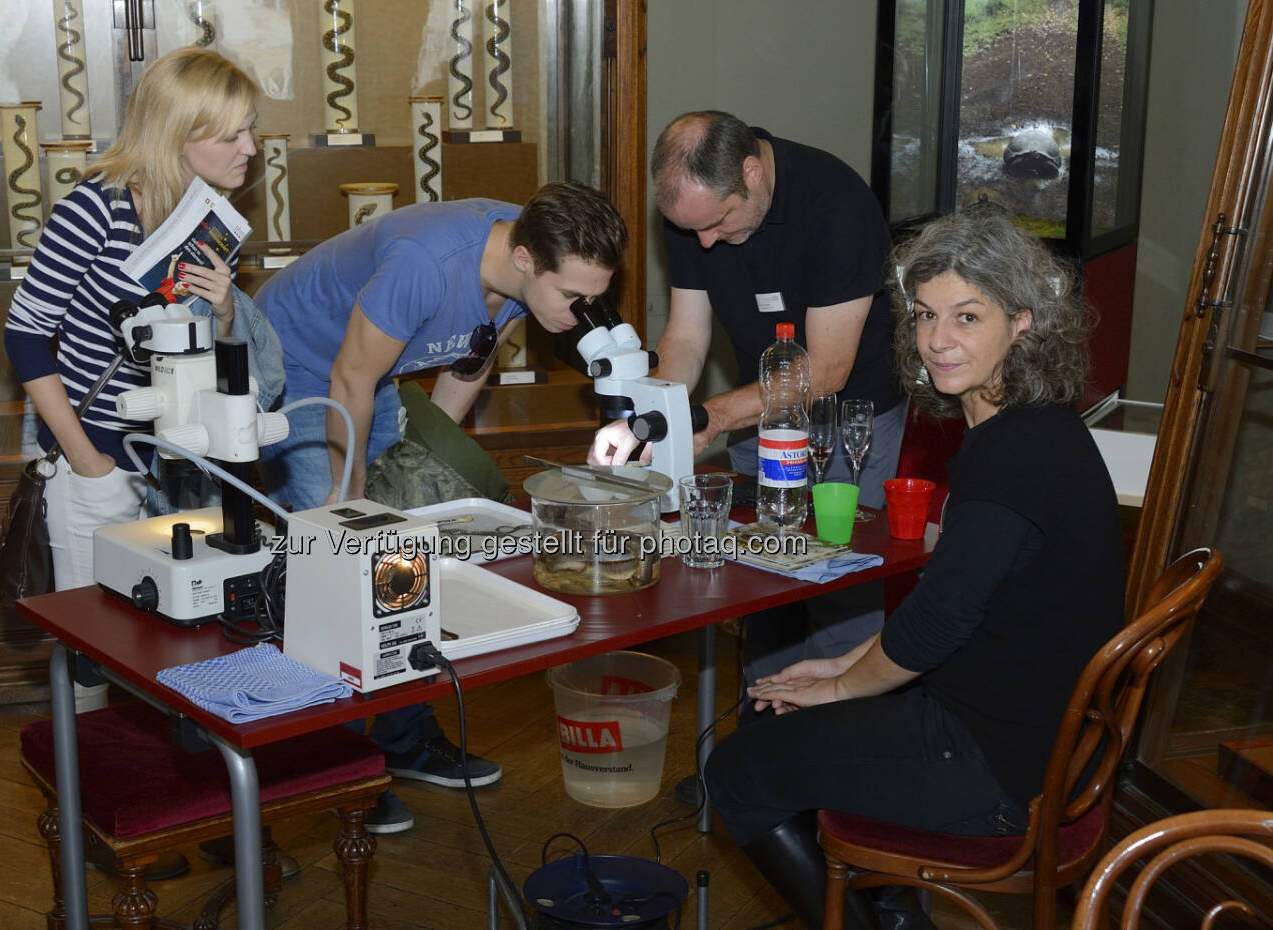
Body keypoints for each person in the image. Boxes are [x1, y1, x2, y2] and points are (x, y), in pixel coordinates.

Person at [702, 206, 1125, 930]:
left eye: (967, 317)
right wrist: (841, 666)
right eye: (926, 316)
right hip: (1030, 736)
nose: (938, 341)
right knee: (779, 721)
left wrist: (839, 686)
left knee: (736, 770)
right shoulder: (1041, 428)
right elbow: (950, 606)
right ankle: (896, 916)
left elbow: (935, 627)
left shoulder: (1011, 459)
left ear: (1022, 321)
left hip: (998, 765)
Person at [256, 180, 629, 833]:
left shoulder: (524, 263)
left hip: (377, 377)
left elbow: (472, 356)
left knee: (408, 567)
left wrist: (432, 467)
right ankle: (341, 773)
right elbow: (349, 378)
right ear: (524, 261)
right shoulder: (426, 264)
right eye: (574, 298)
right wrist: (349, 503)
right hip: (301, 374)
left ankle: (403, 742)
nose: (582, 314)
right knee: (347, 570)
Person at [3, 46, 283, 880]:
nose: (250, 151)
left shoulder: (212, 224)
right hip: (89, 454)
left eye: (251, 132)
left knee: (184, 629)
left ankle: (195, 806)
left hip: (174, 459)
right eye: (232, 135)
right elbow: (25, 334)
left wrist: (228, 304)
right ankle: (103, 822)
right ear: (180, 135)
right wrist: (85, 462)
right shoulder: (94, 210)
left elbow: (214, 354)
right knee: (93, 642)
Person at [589, 110, 907, 702]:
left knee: (839, 588)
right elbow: (683, 341)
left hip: (848, 420)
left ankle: (837, 759)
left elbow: (828, 368)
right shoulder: (693, 211)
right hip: (757, 410)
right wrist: (649, 416)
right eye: (691, 231)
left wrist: (711, 416)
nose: (704, 243)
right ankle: (758, 759)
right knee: (758, 585)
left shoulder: (837, 203)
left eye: (717, 223)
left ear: (753, 174)